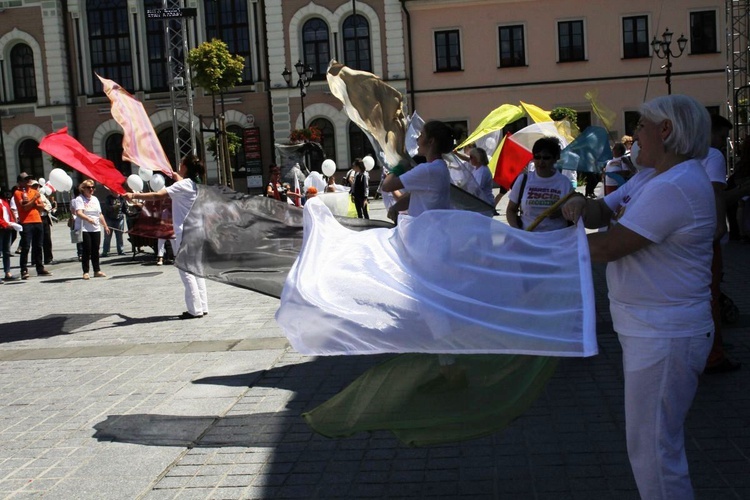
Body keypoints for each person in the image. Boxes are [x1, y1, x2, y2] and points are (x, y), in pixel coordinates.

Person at [561, 95, 715, 499]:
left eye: (642, 126)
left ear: (665, 131)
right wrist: (581, 204)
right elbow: (603, 212)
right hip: (648, 331)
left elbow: (612, 246)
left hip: (665, 335)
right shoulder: (653, 177)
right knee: (651, 446)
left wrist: (540, 253)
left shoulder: (678, 185)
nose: (635, 138)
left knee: (654, 452)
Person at [125, 154, 208, 319]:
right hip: (197, 232)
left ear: (185, 167)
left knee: (186, 271)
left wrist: (134, 195)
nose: (179, 164)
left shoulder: (183, 185)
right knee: (197, 270)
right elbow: (182, 186)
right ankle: (202, 306)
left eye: (181, 163)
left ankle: (194, 309)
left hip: (184, 233)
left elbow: (157, 195)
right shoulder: (195, 185)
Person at [702, 114, 741, 374]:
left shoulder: (679, 154)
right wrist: (721, 227)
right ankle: (714, 355)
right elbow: (715, 192)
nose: (722, 143)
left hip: (688, 235)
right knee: (710, 296)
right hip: (707, 236)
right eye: (722, 137)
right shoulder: (713, 156)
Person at [381, 120, 454, 220]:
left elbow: (386, 186)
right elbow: (413, 197)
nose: (417, 139)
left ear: (431, 141)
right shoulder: (440, 167)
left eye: (421, 135)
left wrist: (400, 167)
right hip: (431, 228)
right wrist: (395, 208)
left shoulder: (428, 170)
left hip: (424, 229)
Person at [506, 137, 573, 231]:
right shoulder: (523, 180)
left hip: (557, 239)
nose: (541, 162)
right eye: (537, 157)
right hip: (529, 238)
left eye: (546, 158)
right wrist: (517, 231)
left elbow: (574, 211)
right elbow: (511, 210)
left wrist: (561, 212)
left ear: (555, 158)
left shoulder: (564, 183)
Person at [13, 173, 52, 279]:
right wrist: (34, 199)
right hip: (26, 222)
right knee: (25, 246)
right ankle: (24, 270)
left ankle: (40, 268)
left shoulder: (34, 191)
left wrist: (31, 203)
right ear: (20, 182)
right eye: (25, 179)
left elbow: (41, 207)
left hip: (37, 220)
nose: (28, 181)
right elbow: (24, 208)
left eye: (29, 179)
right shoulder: (18, 193)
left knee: (38, 246)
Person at [74, 179, 110, 280]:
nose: (91, 189)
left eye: (93, 187)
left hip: (95, 228)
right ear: (83, 188)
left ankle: (96, 270)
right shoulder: (80, 199)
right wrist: (88, 219)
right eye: (88, 187)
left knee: (96, 249)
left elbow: (100, 214)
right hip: (85, 228)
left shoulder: (95, 199)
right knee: (87, 249)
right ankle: (85, 271)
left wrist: (105, 226)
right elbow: (79, 213)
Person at [1, 190, 22, 281]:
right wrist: (6, 225)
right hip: (2, 228)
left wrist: (13, 223)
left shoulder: (4, 201)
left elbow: (8, 214)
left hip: (7, 229)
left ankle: (7, 273)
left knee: (6, 252)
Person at [101, 190, 126, 257]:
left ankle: (121, 250)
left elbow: (124, 209)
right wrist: (114, 206)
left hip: (119, 219)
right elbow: (107, 208)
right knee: (107, 236)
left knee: (119, 236)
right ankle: (105, 251)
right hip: (109, 219)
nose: (116, 193)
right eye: (114, 191)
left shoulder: (121, 198)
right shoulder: (108, 198)